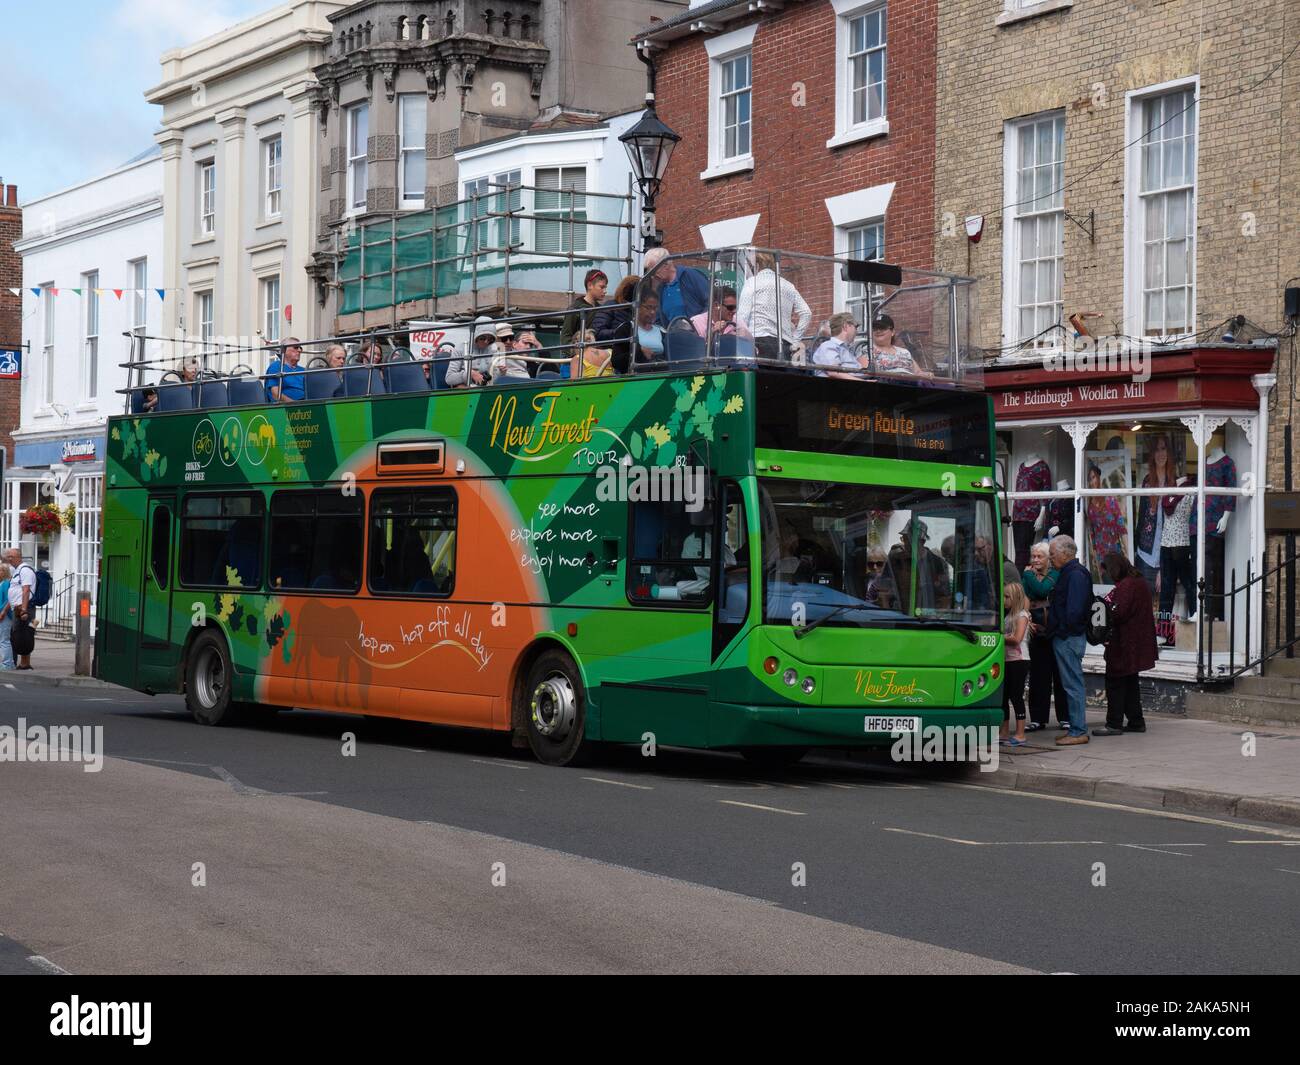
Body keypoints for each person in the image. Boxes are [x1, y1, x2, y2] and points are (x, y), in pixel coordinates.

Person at [1093, 552, 1158, 736]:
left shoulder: (1127, 585)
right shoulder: (1137, 581)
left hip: (1125, 643)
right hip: (1134, 642)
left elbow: (1118, 612)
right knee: (1130, 683)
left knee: (1115, 682)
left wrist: (1106, 613)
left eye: (1105, 571)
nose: (1105, 576)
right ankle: (1136, 721)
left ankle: (1114, 723)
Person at [1046, 534, 1092, 744]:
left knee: (1073, 684)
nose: (1050, 558)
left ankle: (1078, 731)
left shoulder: (1076, 574)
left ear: (1065, 553)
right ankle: (1075, 728)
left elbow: (1074, 610)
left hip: (1068, 637)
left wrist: (1062, 630)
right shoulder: (1068, 572)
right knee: (1069, 684)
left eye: (1053, 554)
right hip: (1065, 636)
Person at [1023, 541, 1068, 731]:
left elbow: (1041, 590)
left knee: (1059, 675)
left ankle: (1065, 717)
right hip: (1036, 628)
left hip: (1054, 629)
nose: (1035, 560)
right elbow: (1025, 594)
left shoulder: (1055, 574)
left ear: (1048, 558)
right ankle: (1037, 718)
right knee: (1038, 676)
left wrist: (1027, 574)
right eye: (1033, 556)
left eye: (1039, 556)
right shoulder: (1030, 576)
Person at [738, 251, 812, 361]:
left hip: (758, 341)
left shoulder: (752, 282)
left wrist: (740, 339)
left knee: (759, 377)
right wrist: (795, 340)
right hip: (784, 344)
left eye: (751, 266)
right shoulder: (788, 285)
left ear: (757, 265)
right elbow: (806, 313)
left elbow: (742, 317)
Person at [1135, 433, 1174, 596]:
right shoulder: (1146, 482)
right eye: (1157, 450)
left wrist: (1163, 567)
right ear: (1152, 455)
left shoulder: (1175, 484)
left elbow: (1175, 527)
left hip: (1166, 557)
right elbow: (1141, 520)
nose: (1160, 453)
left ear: (1168, 452)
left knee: (1163, 612)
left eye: (1163, 449)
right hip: (1145, 556)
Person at [642, 247, 710, 326]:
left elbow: (711, 302)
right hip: (673, 335)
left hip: (697, 334)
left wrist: (698, 324)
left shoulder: (689, 275)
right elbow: (658, 319)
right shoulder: (660, 288)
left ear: (665, 265)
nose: (652, 276)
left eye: (654, 271)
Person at [1001, 580, 1031, 746]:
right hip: (1006, 660)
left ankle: (1020, 734)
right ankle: (1004, 732)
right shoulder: (1007, 615)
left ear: (1015, 598)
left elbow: (1017, 639)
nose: (1004, 600)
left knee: (1016, 696)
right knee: (1003, 697)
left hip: (1019, 661)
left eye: (1007, 597)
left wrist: (1000, 638)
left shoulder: (1022, 615)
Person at [593, 274, 639, 374]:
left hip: (636, 355)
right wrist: (621, 332)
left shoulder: (642, 310)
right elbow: (598, 332)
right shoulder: (611, 306)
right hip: (616, 355)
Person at [2, 548, 35, 671]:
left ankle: (25, 664)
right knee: (18, 635)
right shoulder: (18, 571)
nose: (9, 559)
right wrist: (5, 610)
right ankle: (22, 663)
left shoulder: (25, 570)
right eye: (8, 557)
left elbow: (26, 590)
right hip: (16, 608)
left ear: (19, 557)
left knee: (25, 634)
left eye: (11, 556)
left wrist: (24, 610)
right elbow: (13, 593)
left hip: (24, 608)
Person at [560, 269, 608, 351]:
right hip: (580, 357)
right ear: (589, 285)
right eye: (601, 287)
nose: (605, 291)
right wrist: (576, 353)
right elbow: (565, 337)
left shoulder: (602, 309)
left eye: (605, 287)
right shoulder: (575, 309)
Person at [811, 313, 865, 379]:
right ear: (845, 326)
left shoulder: (848, 348)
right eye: (856, 327)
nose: (857, 331)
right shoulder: (828, 346)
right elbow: (833, 372)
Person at [446, 318, 497, 387]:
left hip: (487, 388)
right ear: (476, 335)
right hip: (466, 389)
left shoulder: (493, 350)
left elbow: (495, 378)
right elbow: (449, 378)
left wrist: (502, 372)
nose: (486, 341)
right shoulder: (461, 348)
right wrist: (470, 373)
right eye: (482, 338)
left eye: (490, 339)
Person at [265, 338, 306, 402]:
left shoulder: (304, 370)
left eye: (300, 348)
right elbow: (275, 394)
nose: (299, 350)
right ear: (284, 350)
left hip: (306, 404)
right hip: (286, 407)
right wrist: (294, 404)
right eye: (295, 347)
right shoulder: (276, 366)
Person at [634, 293, 665, 362]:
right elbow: (617, 360)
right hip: (637, 369)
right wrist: (639, 349)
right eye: (648, 307)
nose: (652, 312)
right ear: (638, 307)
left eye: (655, 308)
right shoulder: (628, 328)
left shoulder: (661, 331)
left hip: (660, 369)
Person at [0, 562, 13, 670]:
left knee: (4, 640)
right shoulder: (2, 583)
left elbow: (9, 600)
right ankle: (9, 663)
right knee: (3, 639)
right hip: (3, 614)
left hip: (5, 615)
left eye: (1, 570)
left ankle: (7, 664)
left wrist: (3, 612)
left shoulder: (6, 583)